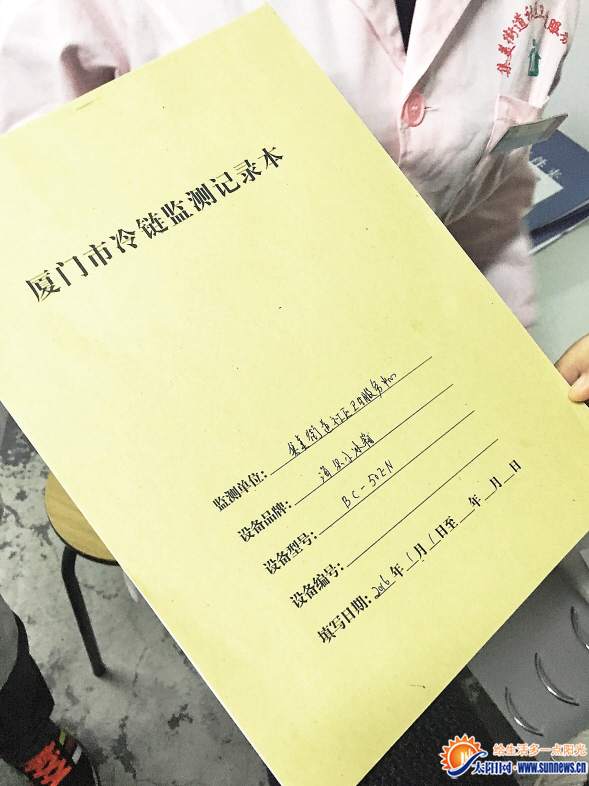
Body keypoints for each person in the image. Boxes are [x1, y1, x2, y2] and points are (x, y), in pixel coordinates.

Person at [0, 1, 588, 784]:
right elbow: (32, 227)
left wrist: (507, 387)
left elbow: (491, 184)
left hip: (435, 422)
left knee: (477, 700)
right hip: (242, 441)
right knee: (350, 727)